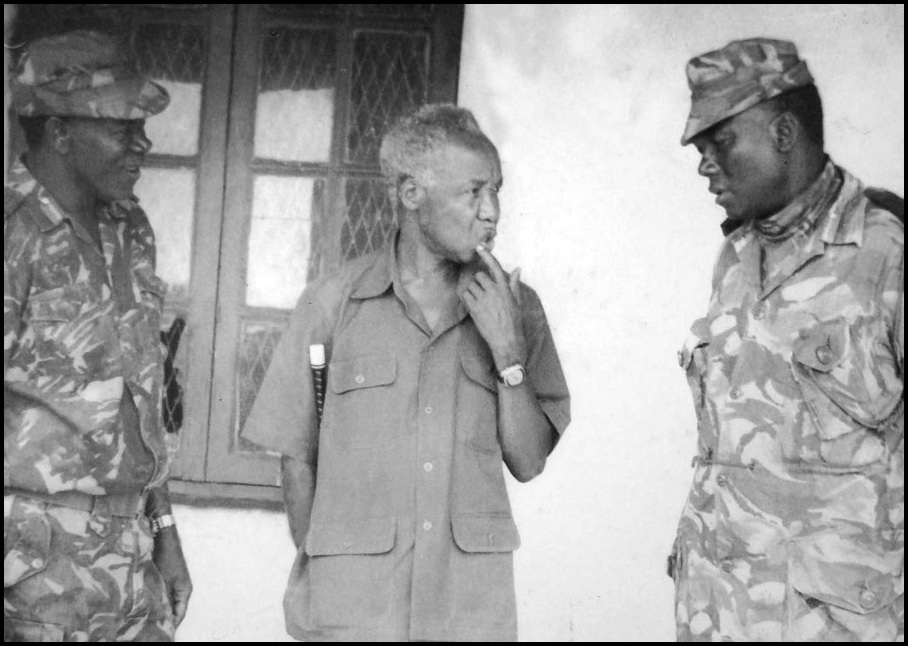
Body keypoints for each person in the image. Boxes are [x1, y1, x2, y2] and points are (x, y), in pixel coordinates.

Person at [242, 104, 570, 642]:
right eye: (474, 191)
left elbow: (530, 461)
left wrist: (508, 352)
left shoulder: (517, 307)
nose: (492, 211)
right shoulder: (333, 303)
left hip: (467, 617)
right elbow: (297, 459)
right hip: (356, 615)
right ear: (412, 194)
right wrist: (328, 577)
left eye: (497, 192)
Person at [669, 37, 904, 641]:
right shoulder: (735, 256)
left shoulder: (887, 254)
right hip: (719, 611)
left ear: (782, 133)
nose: (703, 164)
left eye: (721, 142)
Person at [4, 30, 192, 641]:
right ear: (59, 132)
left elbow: (140, 400)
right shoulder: (15, 234)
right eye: (122, 126)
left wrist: (164, 531)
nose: (143, 143)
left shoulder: (128, 229)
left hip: (131, 558)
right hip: (34, 569)